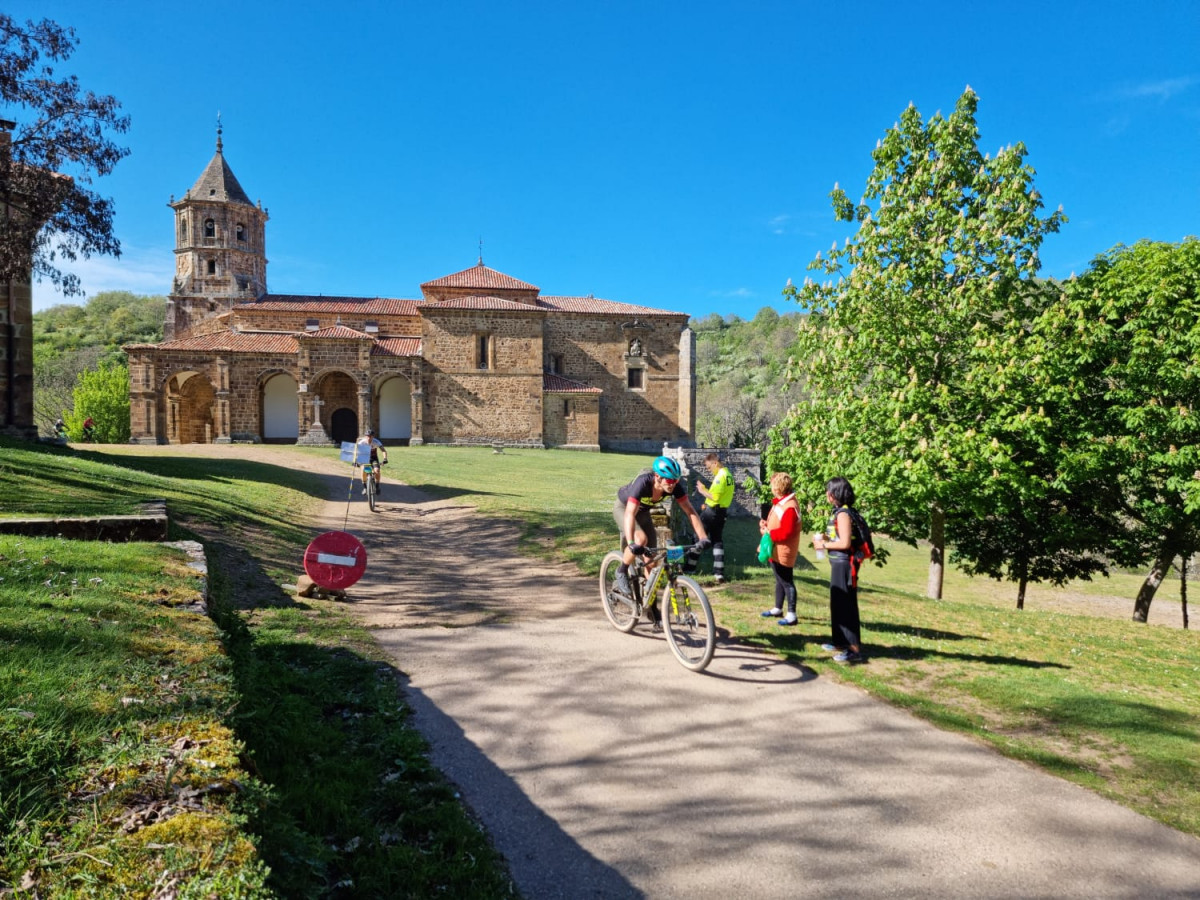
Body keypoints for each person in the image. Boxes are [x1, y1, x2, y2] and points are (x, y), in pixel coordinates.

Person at [612, 455, 710, 600]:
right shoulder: (643, 483)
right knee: (641, 540)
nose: (673, 484)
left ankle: (651, 606)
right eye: (670, 480)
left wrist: (703, 538)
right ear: (658, 477)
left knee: (651, 561)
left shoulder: (675, 487)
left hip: (643, 512)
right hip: (624, 508)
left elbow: (690, 511)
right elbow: (629, 514)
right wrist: (632, 543)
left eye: (676, 480)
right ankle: (621, 570)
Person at [812, 476, 865, 663]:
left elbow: (845, 542)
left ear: (835, 494)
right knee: (837, 603)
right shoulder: (837, 512)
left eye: (829, 491)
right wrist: (823, 539)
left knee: (846, 606)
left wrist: (823, 546)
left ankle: (853, 649)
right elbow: (835, 537)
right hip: (837, 563)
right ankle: (839, 641)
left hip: (845, 564)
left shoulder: (844, 513)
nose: (827, 494)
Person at [758, 472, 802, 626]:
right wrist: (766, 524)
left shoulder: (790, 506)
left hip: (784, 550)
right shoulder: (782, 503)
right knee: (779, 580)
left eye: (772, 485)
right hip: (776, 549)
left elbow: (787, 532)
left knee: (786, 581)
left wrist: (769, 533)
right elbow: (777, 522)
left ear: (778, 487)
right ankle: (778, 608)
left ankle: (792, 614)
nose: (771, 488)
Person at [695, 452, 735, 582]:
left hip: (711, 512)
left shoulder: (719, 477)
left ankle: (689, 568)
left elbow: (715, 497)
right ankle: (719, 573)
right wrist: (706, 489)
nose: (709, 470)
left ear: (715, 463)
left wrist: (702, 491)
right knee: (717, 540)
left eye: (709, 467)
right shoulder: (728, 475)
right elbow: (718, 494)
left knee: (698, 537)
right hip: (722, 512)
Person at [355, 428, 388, 493]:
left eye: (370, 436)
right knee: (364, 470)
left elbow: (383, 451)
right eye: (367, 436)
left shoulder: (376, 442)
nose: (369, 438)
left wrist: (385, 459)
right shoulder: (361, 442)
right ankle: (365, 487)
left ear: (373, 436)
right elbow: (356, 452)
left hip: (374, 458)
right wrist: (356, 461)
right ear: (365, 436)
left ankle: (377, 486)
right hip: (364, 458)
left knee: (377, 471)